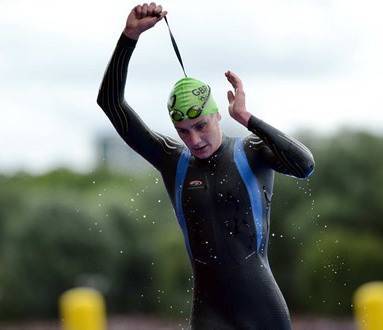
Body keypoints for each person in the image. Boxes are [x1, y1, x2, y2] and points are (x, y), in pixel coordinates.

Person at [97, 3, 315, 329]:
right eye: (184, 131)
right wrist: (130, 37)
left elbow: (304, 165)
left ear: (217, 115)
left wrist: (248, 119)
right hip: (209, 313)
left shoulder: (252, 151)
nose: (195, 139)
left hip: (262, 310)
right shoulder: (171, 159)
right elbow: (110, 102)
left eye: (201, 126)